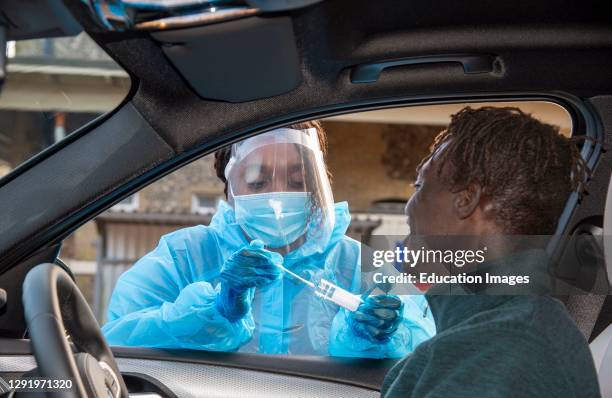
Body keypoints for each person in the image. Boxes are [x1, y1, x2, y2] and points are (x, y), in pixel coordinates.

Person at [102, 121, 435, 358]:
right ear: (230, 188)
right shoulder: (185, 256)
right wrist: (215, 311)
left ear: (320, 186)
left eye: (297, 180)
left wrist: (375, 337)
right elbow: (117, 339)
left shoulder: (356, 263)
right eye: (258, 182)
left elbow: (422, 344)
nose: (278, 196)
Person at [381, 107, 600, 397]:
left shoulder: (501, 348)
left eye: (420, 186)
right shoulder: (510, 328)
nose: (409, 206)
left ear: (467, 199)